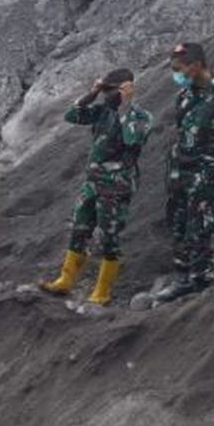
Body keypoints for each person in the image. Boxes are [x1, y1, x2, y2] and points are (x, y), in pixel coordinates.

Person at [40, 68, 153, 306]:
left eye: (112, 90)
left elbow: (134, 140)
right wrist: (93, 92)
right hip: (92, 183)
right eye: (107, 90)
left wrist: (125, 104)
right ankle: (66, 280)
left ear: (127, 88)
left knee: (108, 236)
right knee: (79, 229)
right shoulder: (103, 112)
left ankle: (102, 291)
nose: (107, 95)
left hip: (116, 186)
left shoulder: (139, 116)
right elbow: (72, 115)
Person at [153, 43, 214, 302]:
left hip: (206, 171)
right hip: (179, 169)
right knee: (178, 223)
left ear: (195, 66)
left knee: (200, 225)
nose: (176, 75)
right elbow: (182, 129)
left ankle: (201, 281)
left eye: (179, 69)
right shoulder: (183, 96)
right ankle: (181, 279)